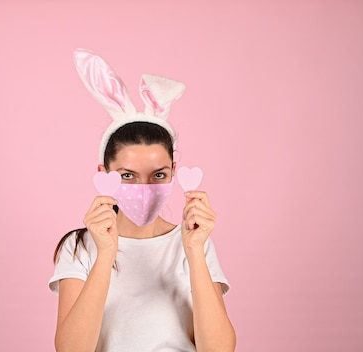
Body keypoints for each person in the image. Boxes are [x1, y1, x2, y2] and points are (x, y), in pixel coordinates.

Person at [49, 49, 236, 351]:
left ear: (174, 172)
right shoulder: (81, 247)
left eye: (158, 175)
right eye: (127, 175)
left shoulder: (193, 243)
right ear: (104, 173)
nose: (144, 187)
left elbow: (219, 349)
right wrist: (106, 253)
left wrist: (194, 251)